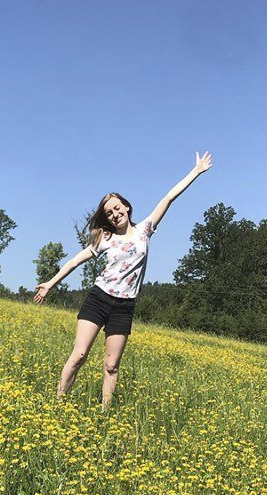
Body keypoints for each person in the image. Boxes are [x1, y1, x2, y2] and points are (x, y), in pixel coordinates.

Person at [34, 151, 213, 408]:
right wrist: (50, 283)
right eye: (108, 213)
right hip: (99, 298)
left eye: (117, 208)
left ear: (126, 207)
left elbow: (169, 198)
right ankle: (57, 403)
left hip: (125, 305)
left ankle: (105, 414)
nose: (114, 214)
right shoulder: (104, 239)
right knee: (80, 354)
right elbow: (75, 260)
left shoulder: (145, 230)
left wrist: (195, 172)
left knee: (111, 365)